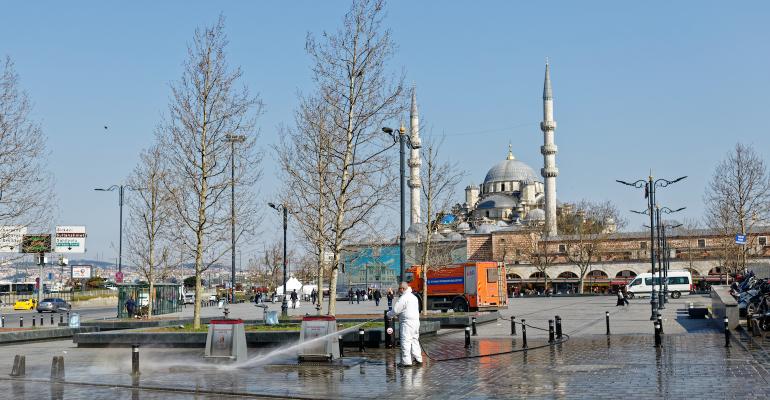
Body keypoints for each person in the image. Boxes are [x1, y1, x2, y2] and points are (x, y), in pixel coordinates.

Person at [388, 282, 423, 367]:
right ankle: (418, 359)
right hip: (415, 322)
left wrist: (388, 314)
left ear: (402, 289)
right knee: (415, 340)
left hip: (407, 323)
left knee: (405, 342)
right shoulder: (414, 297)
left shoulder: (404, 298)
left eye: (399, 289)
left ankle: (406, 362)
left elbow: (396, 310)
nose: (398, 290)